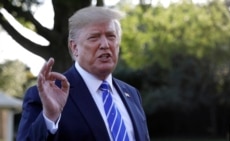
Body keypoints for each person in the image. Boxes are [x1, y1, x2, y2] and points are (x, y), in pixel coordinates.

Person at [16, 6, 150, 141]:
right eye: (94, 37)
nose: (105, 44)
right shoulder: (46, 96)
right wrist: (49, 117)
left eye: (111, 36)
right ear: (74, 48)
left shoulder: (132, 94)